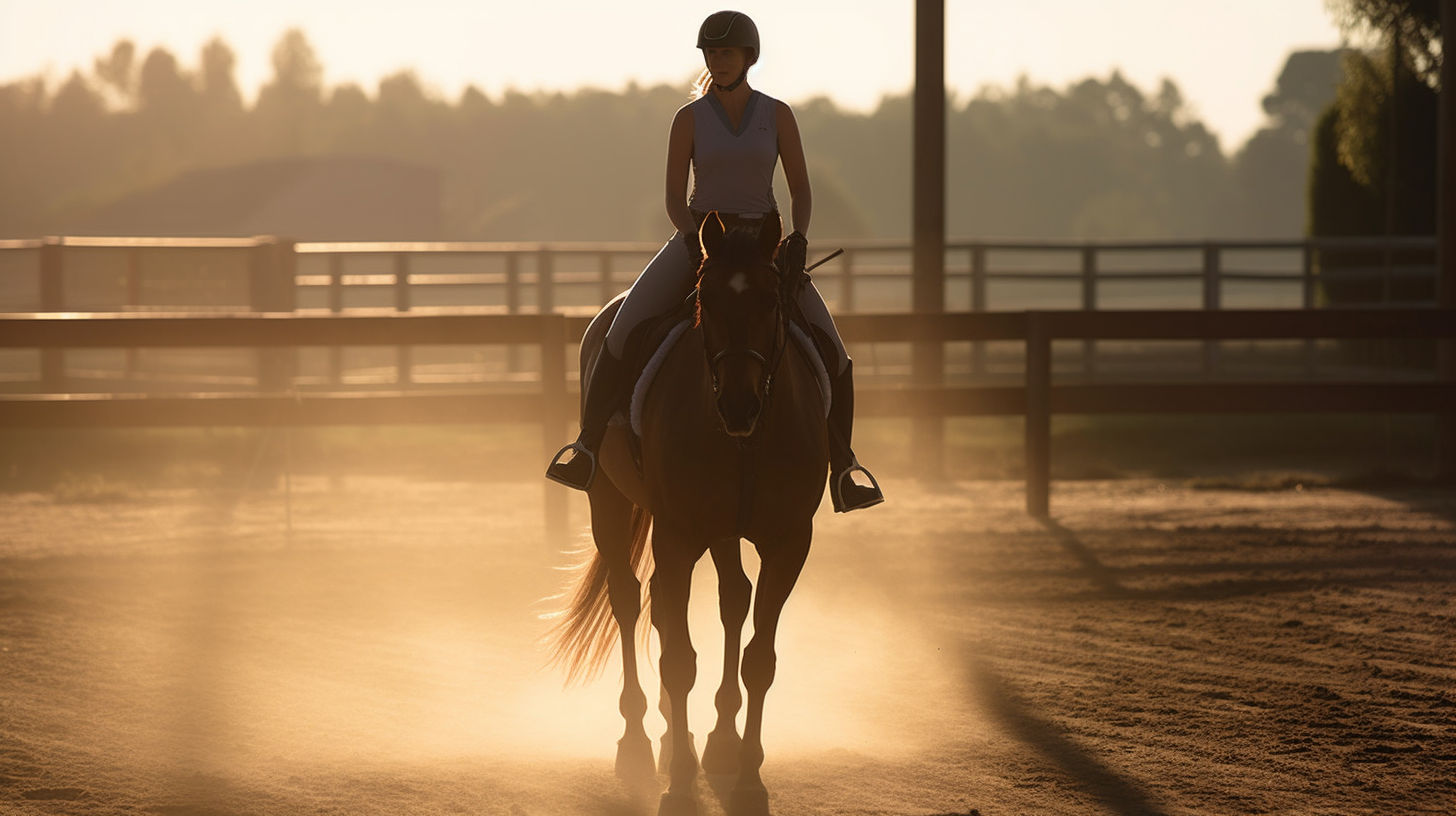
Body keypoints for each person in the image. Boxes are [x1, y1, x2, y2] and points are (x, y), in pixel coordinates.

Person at [546, 10, 883, 513]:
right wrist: (693, 238)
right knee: (618, 331)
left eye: (728, 53)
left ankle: (843, 467)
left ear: (749, 58)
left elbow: (801, 190)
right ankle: (588, 446)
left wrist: (799, 239)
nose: (719, 61)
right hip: (702, 238)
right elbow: (672, 197)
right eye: (712, 53)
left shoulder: (778, 114)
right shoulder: (689, 118)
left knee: (832, 350)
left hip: (766, 241)